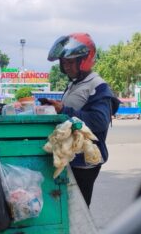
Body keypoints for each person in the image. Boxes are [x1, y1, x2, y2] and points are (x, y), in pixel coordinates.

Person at [45, 33, 120, 207]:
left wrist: (64, 110)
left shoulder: (97, 86)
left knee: (78, 211)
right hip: (70, 157)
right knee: (67, 210)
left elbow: (99, 121)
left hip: (84, 162)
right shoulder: (75, 84)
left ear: (84, 61)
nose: (66, 67)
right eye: (64, 63)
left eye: (70, 62)